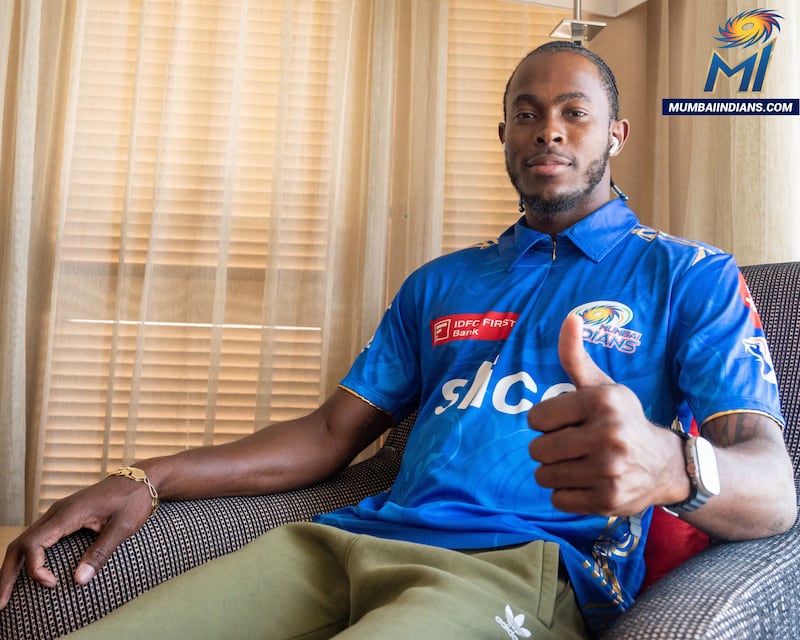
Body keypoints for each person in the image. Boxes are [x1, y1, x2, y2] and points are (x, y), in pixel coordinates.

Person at [1, 41, 796, 639]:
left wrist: (671, 464)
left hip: (521, 567)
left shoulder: (689, 275)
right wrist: (148, 478)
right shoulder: (440, 283)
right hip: (346, 545)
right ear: (504, 133)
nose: (549, 130)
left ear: (615, 133)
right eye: (527, 112)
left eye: (574, 112)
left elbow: (774, 489)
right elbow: (325, 435)